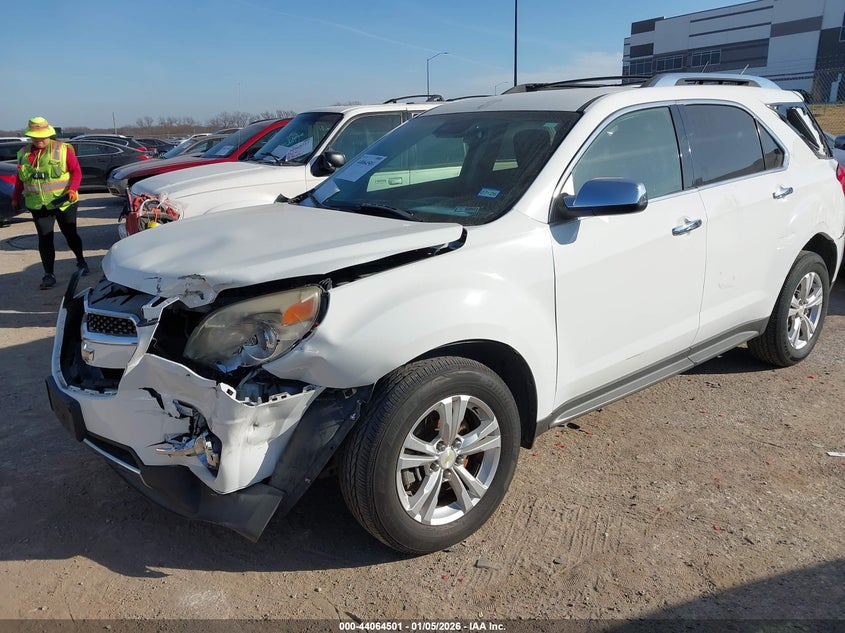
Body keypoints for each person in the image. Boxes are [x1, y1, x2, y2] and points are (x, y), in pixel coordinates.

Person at [11, 116, 88, 289]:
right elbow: (19, 178)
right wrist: (15, 196)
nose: (40, 140)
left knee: (70, 233)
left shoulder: (62, 149)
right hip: (38, 204)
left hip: (63, 201)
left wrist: (72, 189)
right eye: (36, 137)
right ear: (31, 136)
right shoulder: (23, 153)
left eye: (43, 136)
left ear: (49, 134)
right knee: (45, 238)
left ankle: (81, 260)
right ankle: (48, 274)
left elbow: (76, 171)